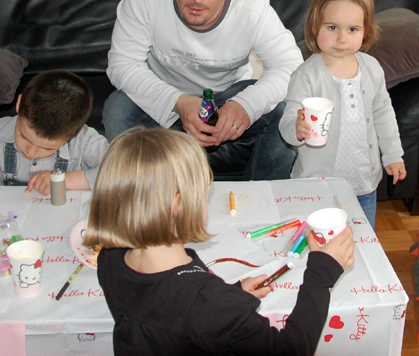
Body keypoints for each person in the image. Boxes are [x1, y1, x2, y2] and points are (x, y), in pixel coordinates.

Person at [85, 127, 355, 355]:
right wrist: (321, 275)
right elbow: (291, 350)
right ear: (178, 206)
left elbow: (167, 312)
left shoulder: (111, 258)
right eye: (203, 195)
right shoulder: (207, 302)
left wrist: (233, 296)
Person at [104, 0, 304, 180]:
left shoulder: (253, 8)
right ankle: (148, 191)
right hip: (162, 100)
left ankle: (262, 195)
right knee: (117, 109)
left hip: (225, 102)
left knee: (283, 112)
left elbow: (291, 67)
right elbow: (122, 64)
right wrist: (178, 102)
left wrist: (245, 105)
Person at [278, 0, 406, 227]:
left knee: (363, 240)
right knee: (316, 239)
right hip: (316, 187)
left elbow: (383, 112)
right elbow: (288, 120)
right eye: (332, 27)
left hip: (363, 186)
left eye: (352, 29)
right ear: (315, 26)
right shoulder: (306, 75)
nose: (342, 38)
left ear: (365, 31)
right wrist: (297, 128)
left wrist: (393, 154)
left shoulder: (371, 68)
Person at [0, 70, 108, 217]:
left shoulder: (84, 140)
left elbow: (122, 171)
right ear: (19, 103)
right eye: (24, 136)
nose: (30, 152)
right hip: (5, 221)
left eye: (47, 148)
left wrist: (67, 180)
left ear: (76, 131)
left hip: (64, 222)